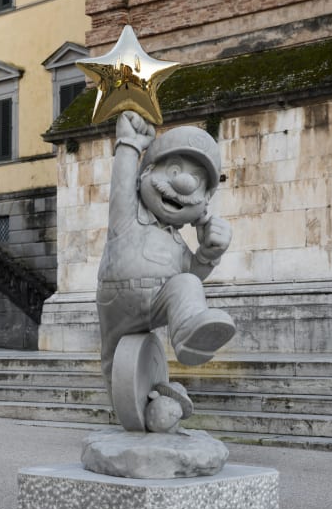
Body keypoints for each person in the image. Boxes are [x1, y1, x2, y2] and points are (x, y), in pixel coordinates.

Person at [97, 110, 236, 408]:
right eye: (173, 170)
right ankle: (146, 405)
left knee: (186, 283)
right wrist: (130, 143)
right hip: (118, 300)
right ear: (145, 174)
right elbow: (121, 180)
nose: (184, 183)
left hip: (159, 301)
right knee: (113, 366)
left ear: (204, 204)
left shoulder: (178, 244)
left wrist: (209, 253)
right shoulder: (127, 216)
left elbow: (192, 276)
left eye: (197, 181)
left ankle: (188, 335)